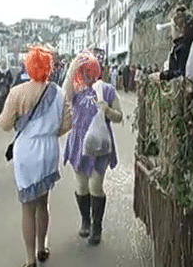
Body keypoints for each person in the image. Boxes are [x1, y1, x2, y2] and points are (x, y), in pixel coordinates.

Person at [0, 46, 71, 267]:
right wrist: (48, 133)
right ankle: (42, 247)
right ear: (49, 67)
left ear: (28, 67)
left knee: (27, 206)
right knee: (43, 202)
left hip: (27, 150)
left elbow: (4, 124)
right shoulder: (59, 93)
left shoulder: (18, 92)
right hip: (49, 149)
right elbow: (68, 123)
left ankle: (30, 259)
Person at [62, 50, 123, 245]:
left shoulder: (107, 90)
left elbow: (120, 116)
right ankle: (86, 221)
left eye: (89, 70)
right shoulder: (76, 90)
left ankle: (97, 227)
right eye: (83, 71)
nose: (86, 75)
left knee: (95, 185)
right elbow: (63, 96)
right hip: (79, 142)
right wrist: (71, 70)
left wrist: (107, 110)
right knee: (81, 186)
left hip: (99, 144)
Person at [149, 5, 193, 82]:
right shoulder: (191, 44)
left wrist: (162, 75)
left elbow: (181, 73)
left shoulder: (182, 48)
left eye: (172, 28)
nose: (171, 32)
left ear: (178, 28)